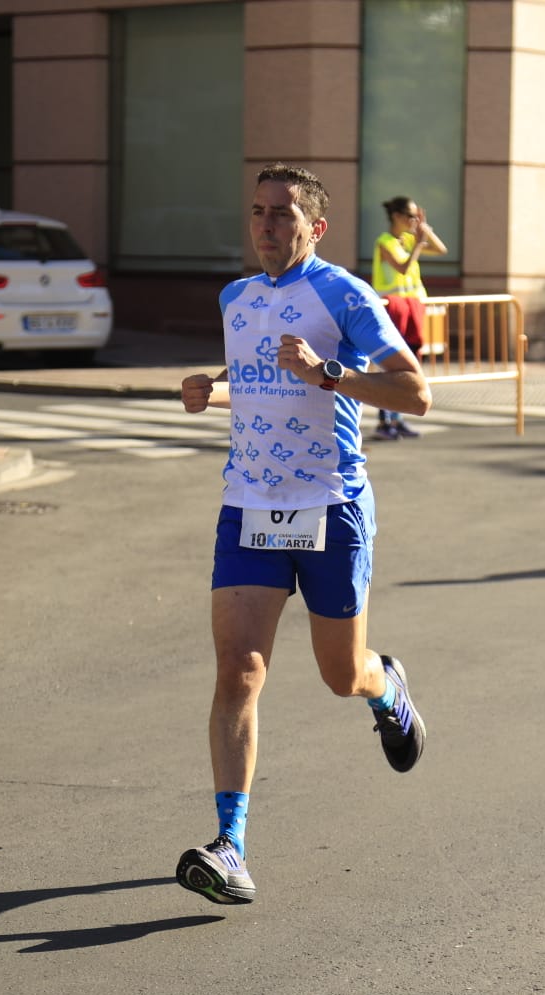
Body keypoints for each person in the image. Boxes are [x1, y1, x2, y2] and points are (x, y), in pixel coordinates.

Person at [174, 163, 430, 906]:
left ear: (315, 227)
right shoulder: (236, 297)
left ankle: (386, 687)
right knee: (238, 671)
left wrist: (330, 373)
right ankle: (231, 846)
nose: (266, 225)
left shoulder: (345, 294)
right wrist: (212, 389)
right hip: (249, 506)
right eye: (258, 210)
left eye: (282, 213)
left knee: (340, 674)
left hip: (330, 505)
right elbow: (261, 382)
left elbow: (415, 392)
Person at [371, 196, 446, 440]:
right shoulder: (385, 242)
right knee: (389, 366)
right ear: (397, 216)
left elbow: (441, 249)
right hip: (391, 309)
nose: (414, 220)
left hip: (411, 309)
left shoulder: (410, 239)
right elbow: (402, 268)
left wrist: (424, 231)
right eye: (411, 216)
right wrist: (418, 244)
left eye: (417, 216)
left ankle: (398, 419)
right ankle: (384, 422)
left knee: (407, 367)